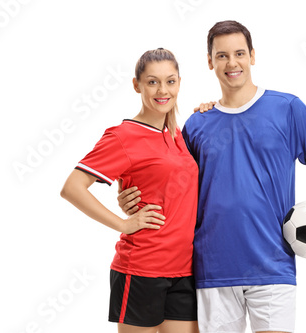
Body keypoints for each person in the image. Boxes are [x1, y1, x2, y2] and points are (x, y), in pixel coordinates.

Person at [119, 21, 306, 333]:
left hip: (273, 266)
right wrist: (129, 199)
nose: (232, 63)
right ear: (210, 62)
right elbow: (173, 182)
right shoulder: (197, 125)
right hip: (212, 269)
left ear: (252, 56)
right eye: (222, 56)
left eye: (239, 53)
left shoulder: (288, 108)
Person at [60, 48, 199, 333]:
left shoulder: (176, 135)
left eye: (170, 81)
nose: (163, 90)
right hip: (142, 269)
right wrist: (124, 222)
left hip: (185, 269)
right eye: (152, 82)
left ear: (179, 83)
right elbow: (73, 187)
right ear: (136, 85)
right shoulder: (123, 137)